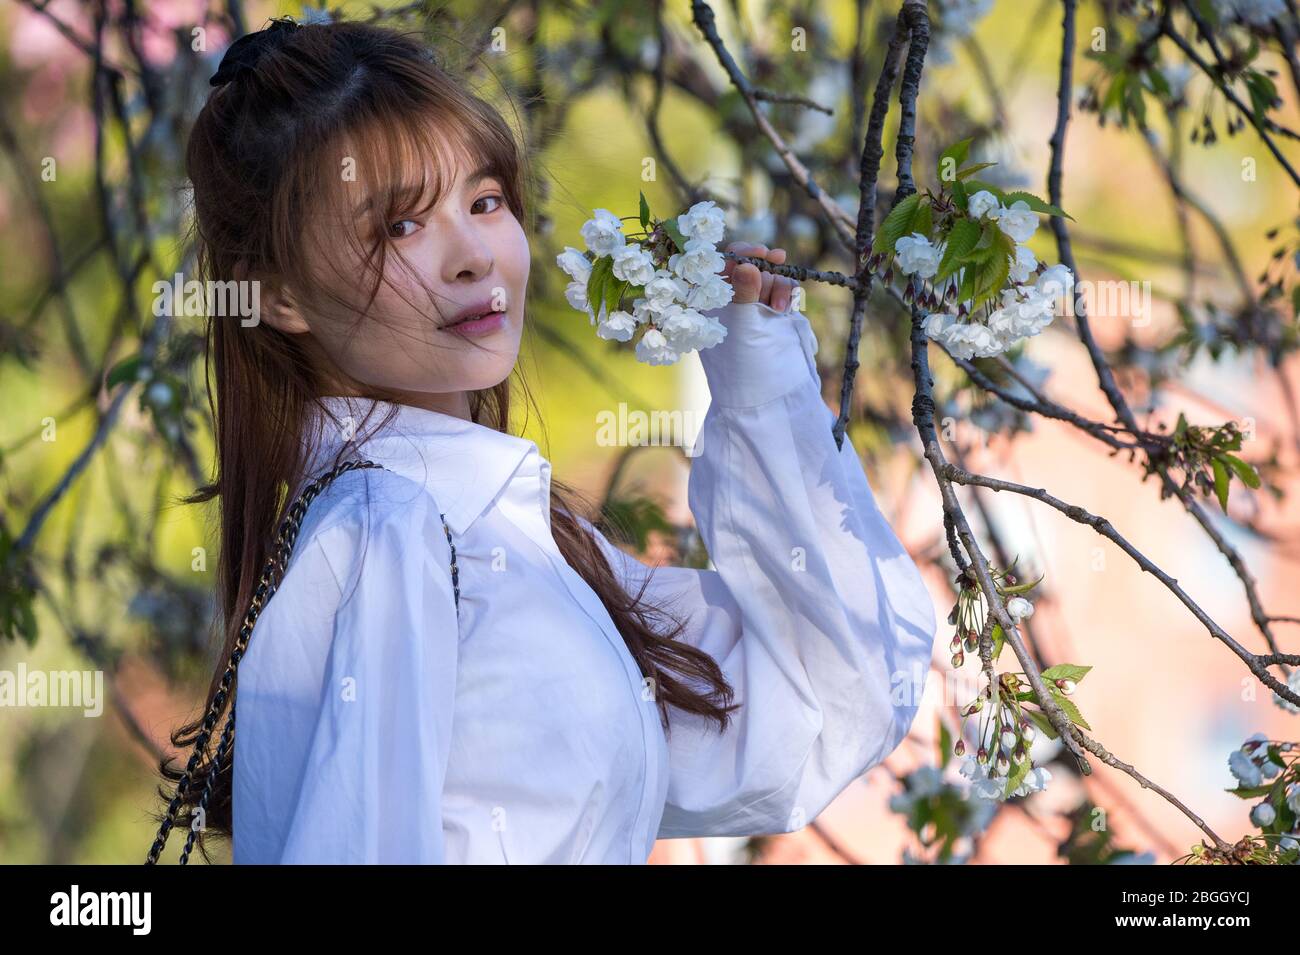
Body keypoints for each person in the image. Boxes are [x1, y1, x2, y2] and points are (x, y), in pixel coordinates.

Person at [155, 15, 937, 864]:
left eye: (484, 201)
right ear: (279, 296)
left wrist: (759, 374)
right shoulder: (386, 534)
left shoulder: (516, 543)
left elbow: (827, 708)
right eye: (399, 227)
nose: (472, 256)